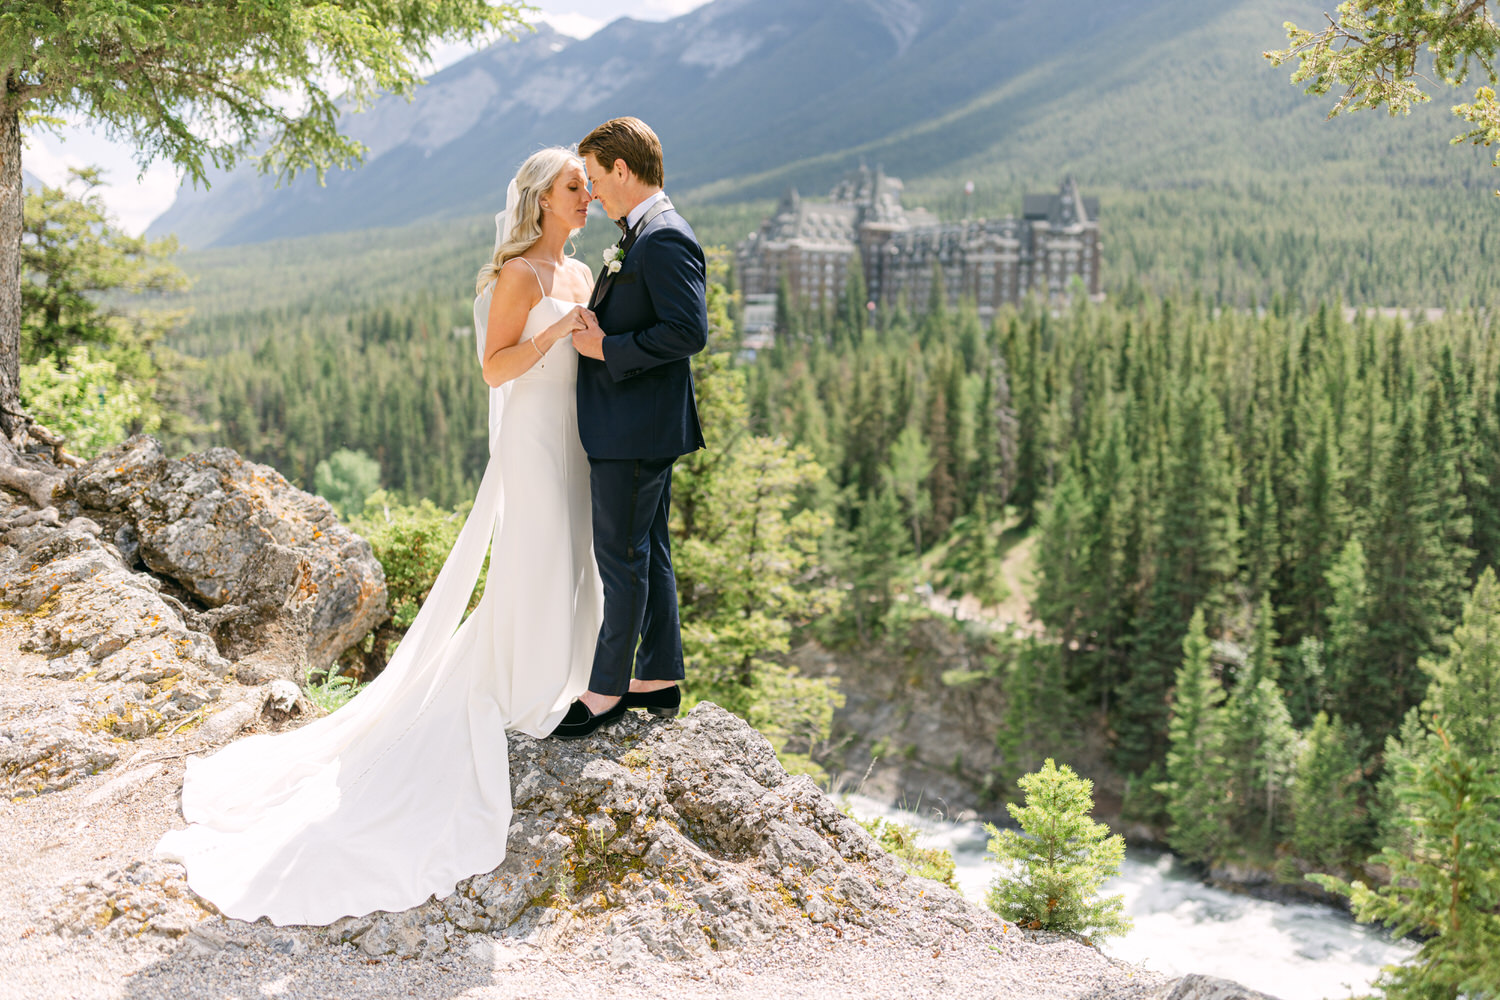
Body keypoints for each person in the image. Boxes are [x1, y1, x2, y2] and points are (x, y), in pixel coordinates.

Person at [153, 147, 605, 925]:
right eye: (575, 188)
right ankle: (525, 687)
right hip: (530, 437)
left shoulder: (585, 272)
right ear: (539, 198)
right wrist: (556, 332)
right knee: (533, 558)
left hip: (575, 434)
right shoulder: (520, 277)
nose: (588, 198)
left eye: (591, 189)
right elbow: (495, 371)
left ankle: (564, 675)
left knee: (574, 557)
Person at [550, 117, 708, 740]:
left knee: (621, 557)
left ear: (622, 170)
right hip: (637, 426)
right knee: (652, 553)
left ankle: (607, 688)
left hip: (635, 429)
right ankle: (658, 676)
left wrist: (606, 349)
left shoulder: (664, 238)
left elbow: (687, 331)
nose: (590, 193)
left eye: (593, 178)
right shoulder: (640, 234)